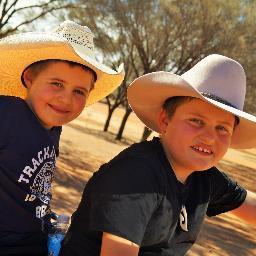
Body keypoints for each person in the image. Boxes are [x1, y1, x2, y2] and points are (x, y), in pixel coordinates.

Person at [60, 54, 256, 256]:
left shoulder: (202, 176)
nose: (209, 137)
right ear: (165, 120)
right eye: (196, 121)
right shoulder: (137, 175)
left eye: (222, 128)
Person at [0, 20, 124, 255]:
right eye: (57, 84)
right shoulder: (8, 113)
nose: (66, 99)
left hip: (33, 240)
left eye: (79, 91)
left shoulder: (53, 128)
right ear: (29, 78)